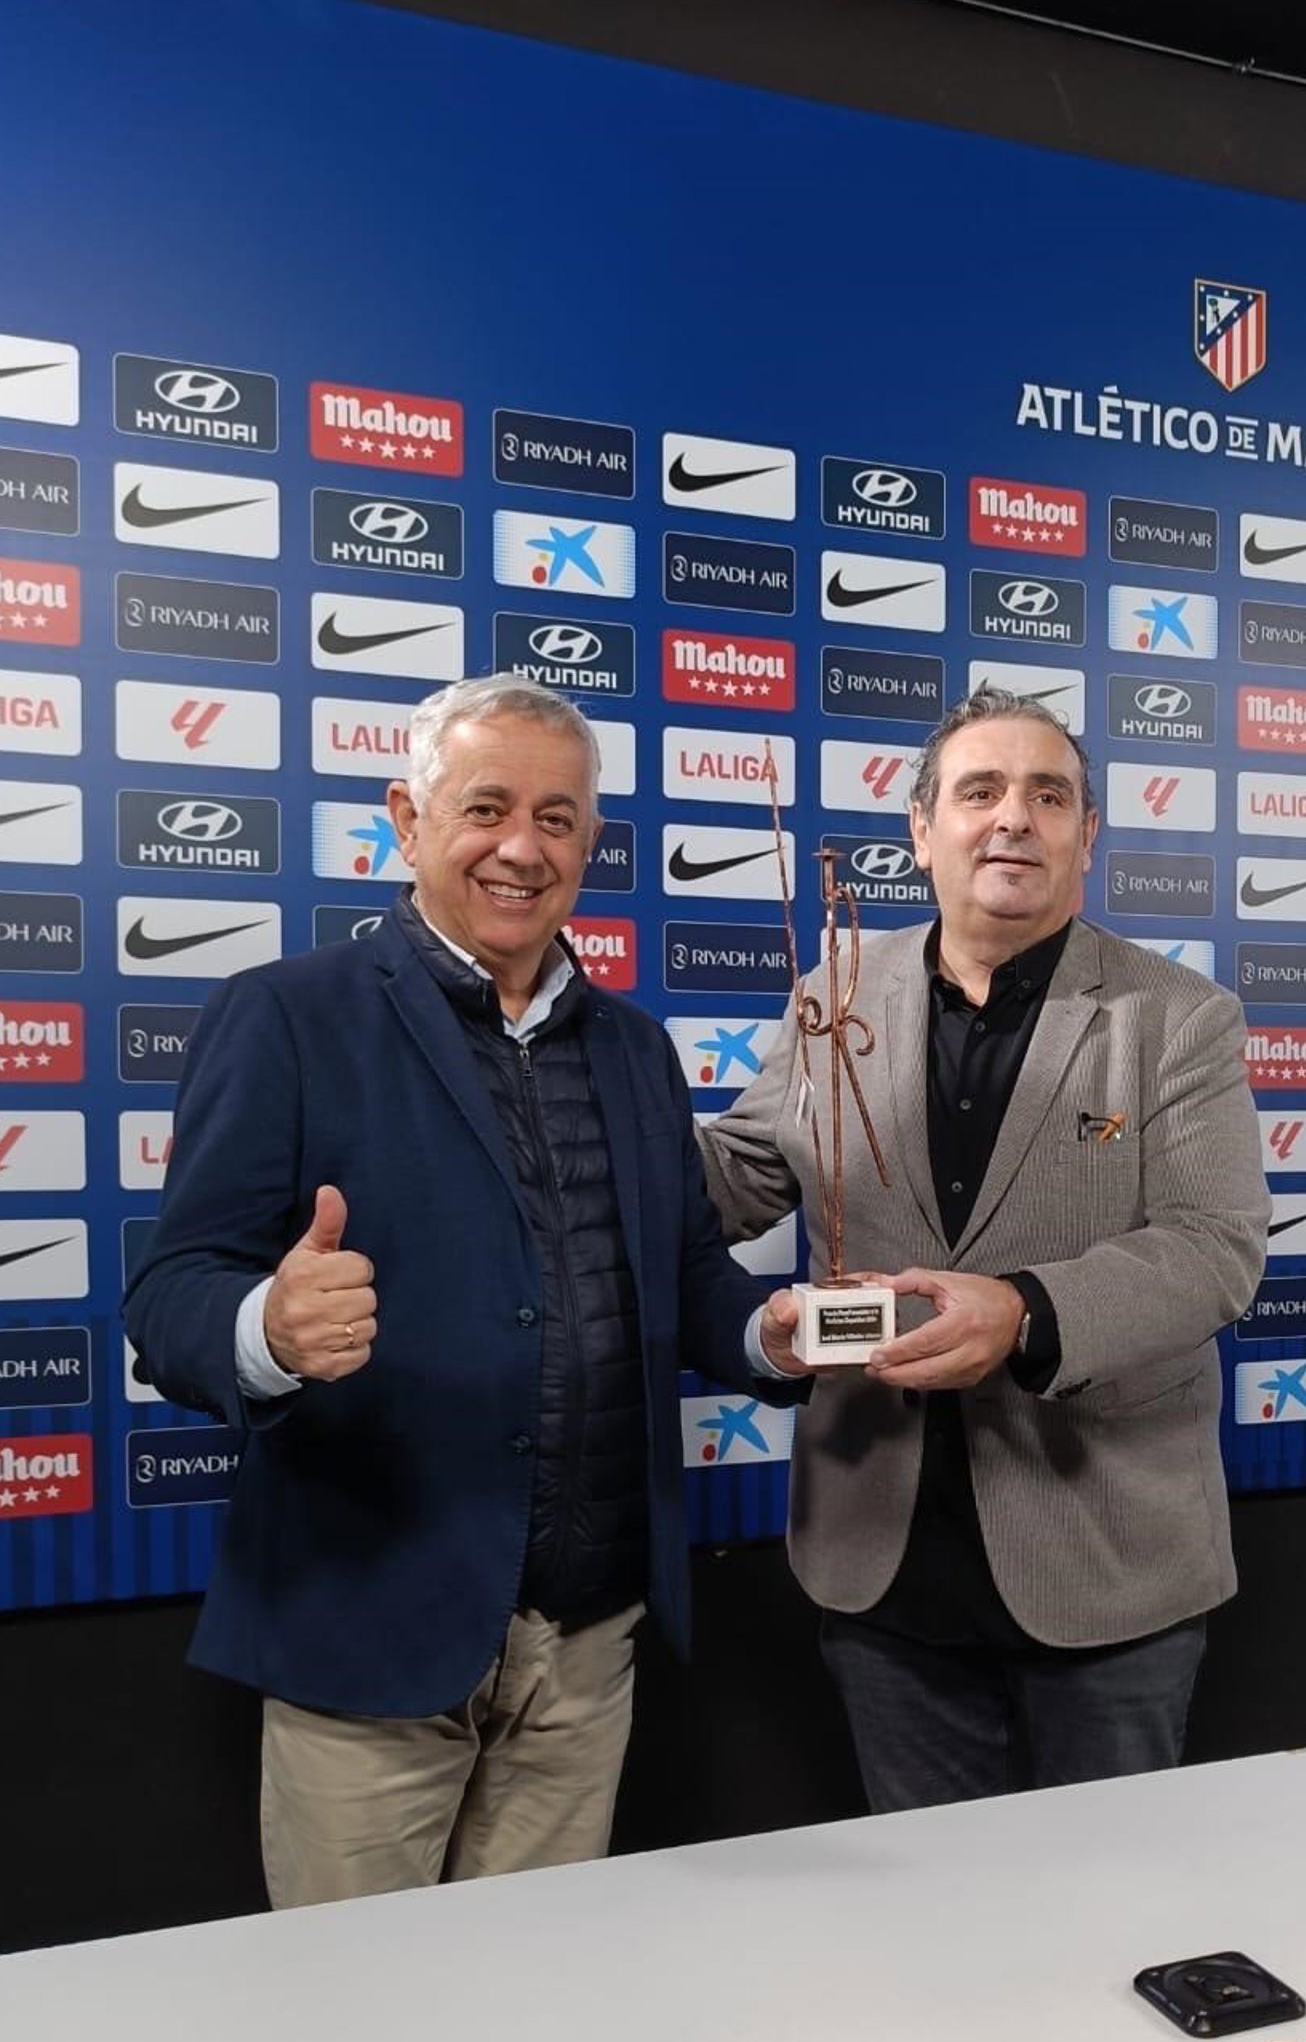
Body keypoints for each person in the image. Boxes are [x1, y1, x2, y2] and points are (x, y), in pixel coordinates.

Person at [126, 672, 803, 1906]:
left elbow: (685, 1274)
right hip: (368, 1628)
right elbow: (170, 1295)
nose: (521, 848)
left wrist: (769, 1334)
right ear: (408, 817)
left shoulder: (635, 1047)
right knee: (358, 2003)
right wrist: (267, 1328)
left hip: (588, 1640)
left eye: (557, 819)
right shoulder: (285, 1017)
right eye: (486, 808)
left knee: (536, 1995)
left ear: (590, 843)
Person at [704, 684, 1269, 1810]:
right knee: (928, 1897)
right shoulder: (833, 992)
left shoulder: (1178, 1016)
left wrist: (1023, 1312)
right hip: (882, 1564)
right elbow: (745, 1174)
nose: (1013, 817)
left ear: (1086, 835)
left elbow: (1216, 1247)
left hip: (1106, 1565)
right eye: (981, 791)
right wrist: (585, 1116)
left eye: (1047, 796)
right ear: (923, 830)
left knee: (1113, 1889)